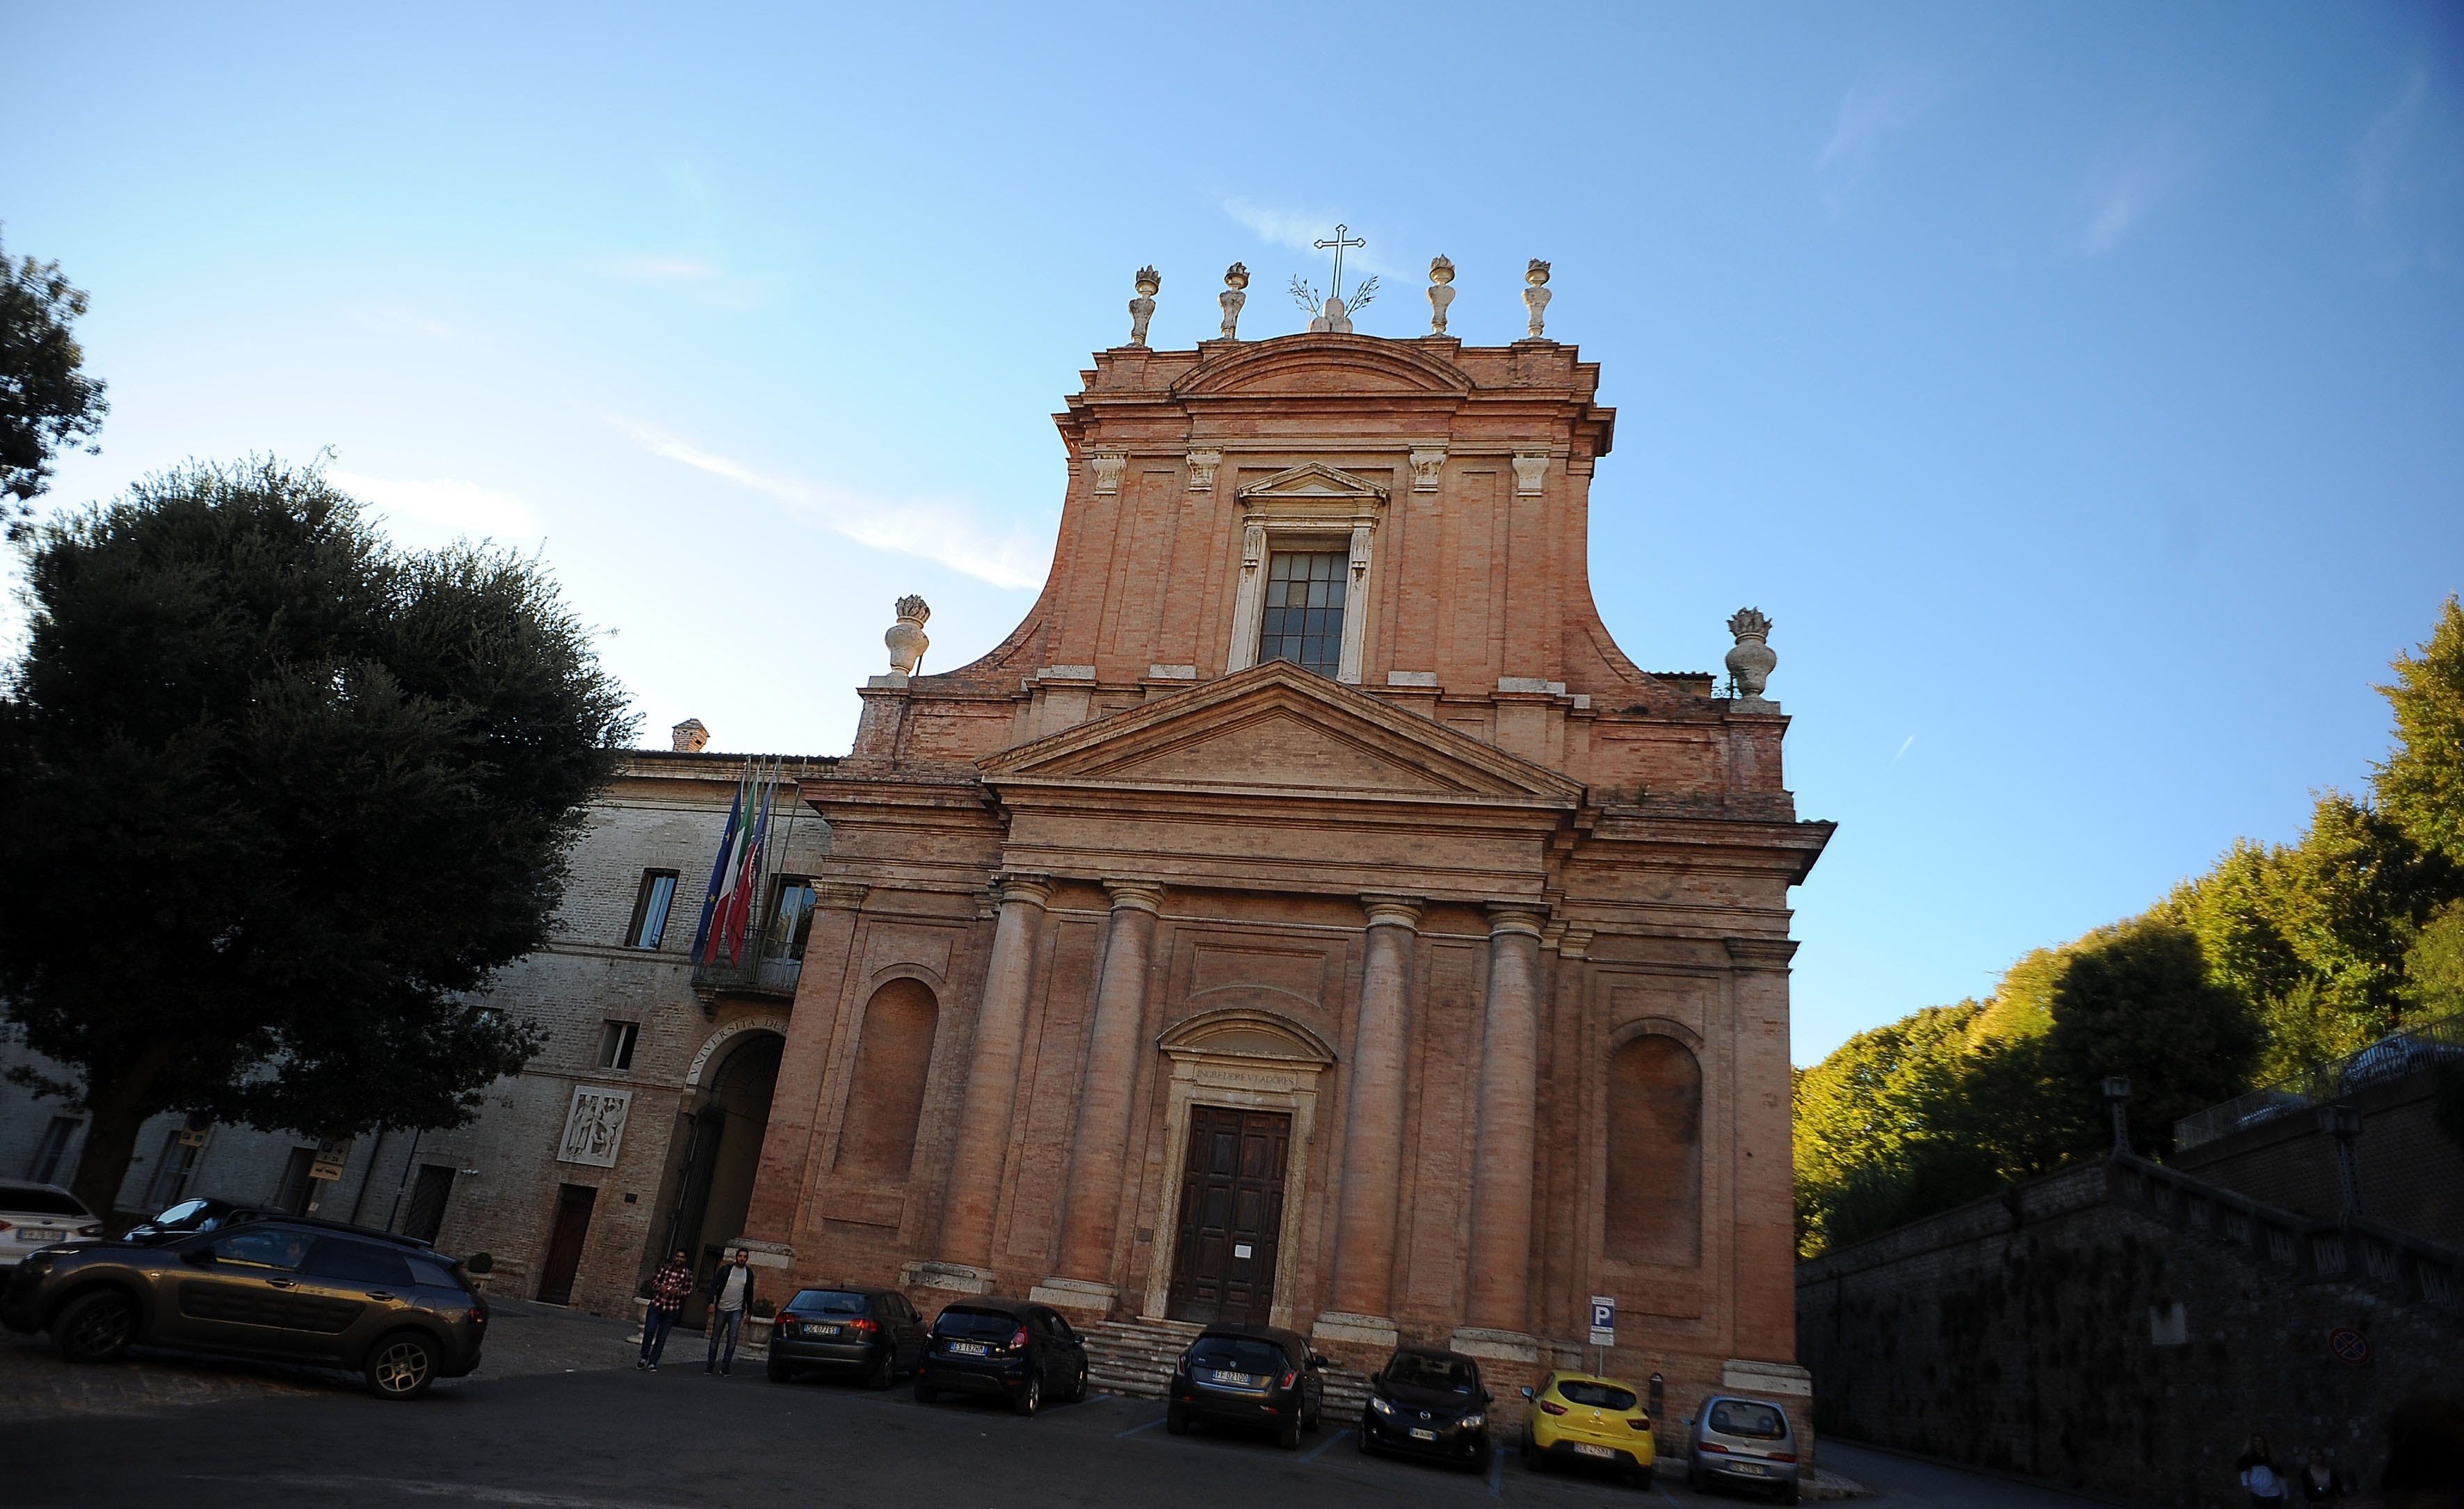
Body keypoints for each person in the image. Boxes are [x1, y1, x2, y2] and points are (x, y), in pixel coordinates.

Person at [636, 1249, 693, 1371]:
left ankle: (653, 1362)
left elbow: (688, 1292)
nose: (679, 1259)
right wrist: (660, 1287)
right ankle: (643, 1357)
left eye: (682, 1257)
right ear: (674, 1257)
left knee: (662, 1336)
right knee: (650, 1330)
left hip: (672, 1308)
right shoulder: (665, 1269)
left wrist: (678, 1292)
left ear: (685, 1260)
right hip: (657, 1304)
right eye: (677, 1256)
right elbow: (654, 1282)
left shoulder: (687, 1274)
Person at [704, 1248, 757, 1376]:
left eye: (745, 1257)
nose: (742, 1258)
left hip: (737, 1310)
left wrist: (749, 1312)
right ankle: (710, 1366)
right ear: (736, 1257)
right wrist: (711, 1302)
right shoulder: (726, 1270)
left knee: (732, 1339)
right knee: (715, 1338)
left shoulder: (748, 1274)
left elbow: (749, 1293)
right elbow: (714, 1286)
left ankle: (725, 1367)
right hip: (722, 1308)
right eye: (740, 1256)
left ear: (747, 1258)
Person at [2243, 1436, 2288, 1508]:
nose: (2258, 1443)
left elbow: (2280, 1476)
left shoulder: (2271, 1458)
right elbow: (2244, 1471)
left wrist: (2286, 1494)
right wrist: (2245, 1484)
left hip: (2273, 1494)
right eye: (2256, 1441)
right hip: (2256, 1493)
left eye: (2260, 1441)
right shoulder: (2249, 1457)